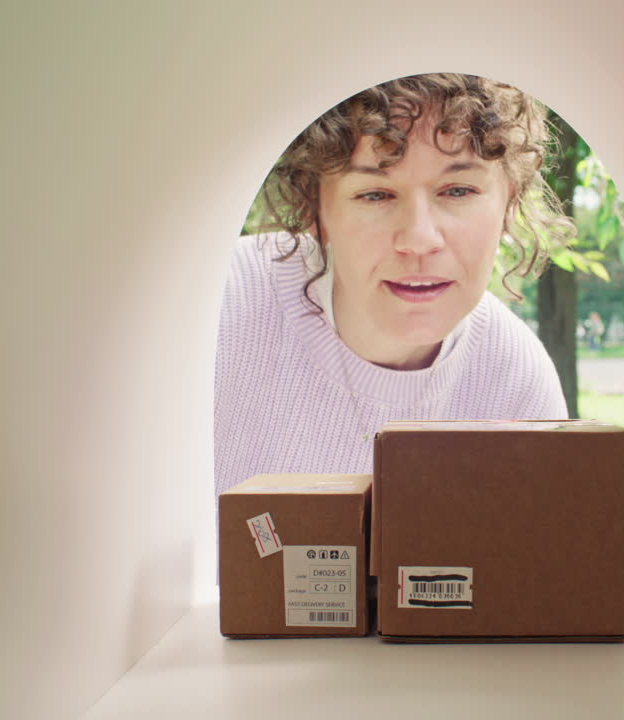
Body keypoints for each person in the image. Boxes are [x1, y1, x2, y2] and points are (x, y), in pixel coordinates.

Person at [214, 73, 575, 497]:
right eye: (375, 195)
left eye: (458, 190)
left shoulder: (515, 386)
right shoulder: (220, 307)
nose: (420, 239)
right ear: (315, 209)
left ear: (509, 203)